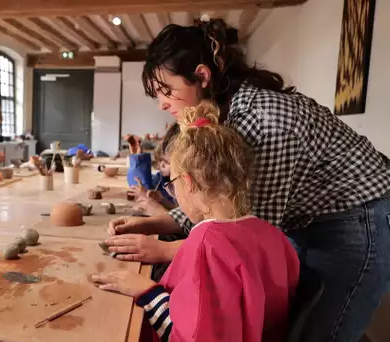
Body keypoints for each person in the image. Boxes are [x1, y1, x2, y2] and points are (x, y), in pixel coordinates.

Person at [105, 18, 390, 342]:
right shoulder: (227, 116)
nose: (163, 103)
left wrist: (161, 251)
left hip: (361, 215)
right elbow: (217, 205)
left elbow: (242, 240)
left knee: (321, 331)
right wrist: (150, 226)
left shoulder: (262, 123)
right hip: (310, 218)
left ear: (201, 75)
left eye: (166, 90)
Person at [92, 103, 300, 341]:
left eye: (172, 183)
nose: (174, 192)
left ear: (188, 182)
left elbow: (189, 336)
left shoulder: (205, 245)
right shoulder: (274, 235)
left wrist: (145, 290)